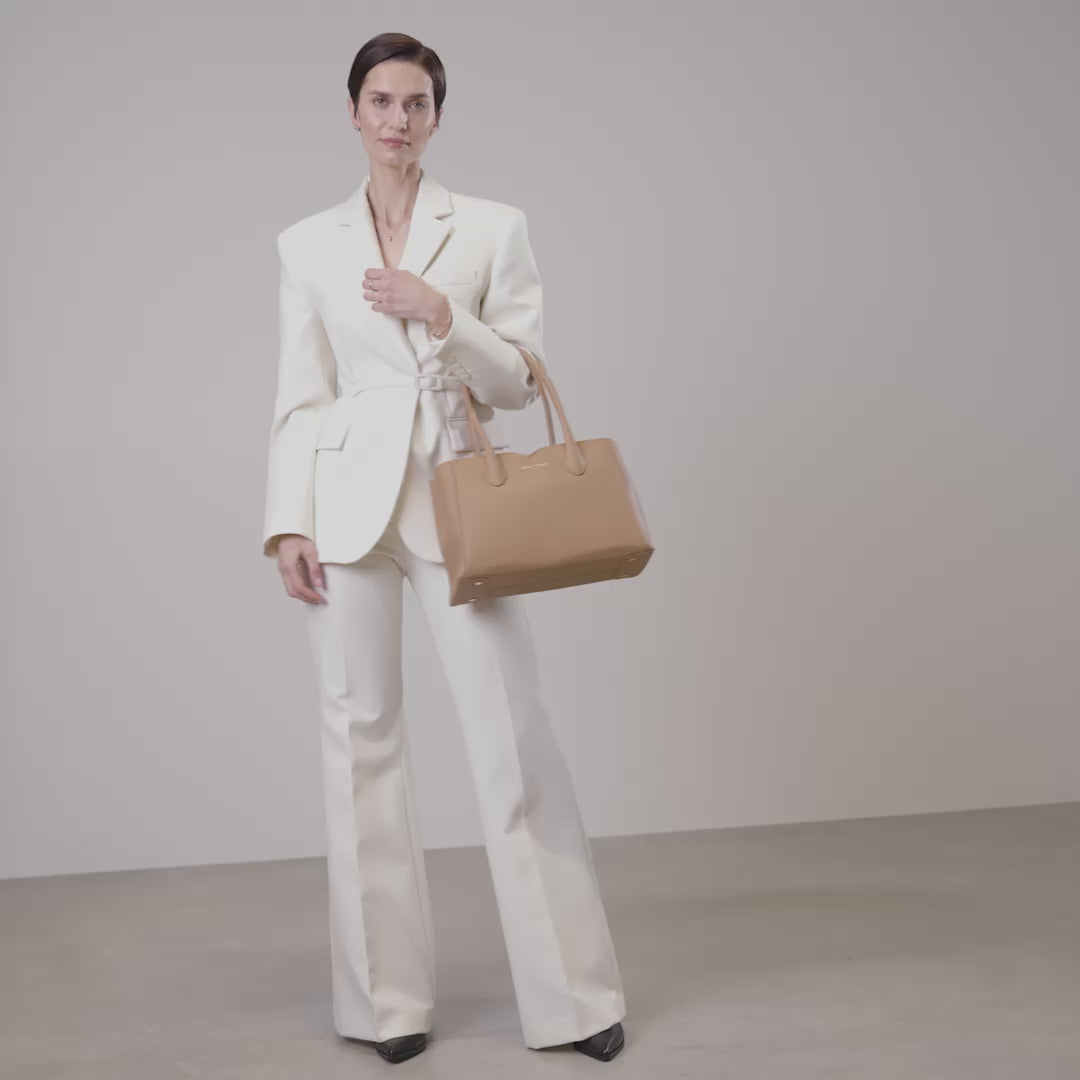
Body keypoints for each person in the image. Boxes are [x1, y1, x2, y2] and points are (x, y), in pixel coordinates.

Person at [261, 32, 627, 1066]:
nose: (398, 119)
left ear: (436, 116)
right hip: (346, 508)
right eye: (380, 100)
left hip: (461, 494)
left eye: (416, 102)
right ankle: (387, 1006)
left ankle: (577, 998)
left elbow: (520, 380)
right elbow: (300, 394)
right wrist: (287, 521)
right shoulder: (306, 243)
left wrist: (443, 315)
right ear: (353, 112)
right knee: (358, 748)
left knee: (513, 738)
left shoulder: (493, 227)